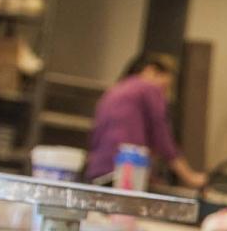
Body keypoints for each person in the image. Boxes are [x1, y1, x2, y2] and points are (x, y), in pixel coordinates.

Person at [86, 52, 204, 188]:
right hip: (125, 171)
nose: (164, 92)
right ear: (151, 70)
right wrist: (189, 176)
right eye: (166, 86)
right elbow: (161, 135)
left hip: (98, 170)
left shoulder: (115, 89)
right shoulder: (148, 88)